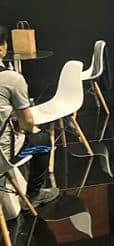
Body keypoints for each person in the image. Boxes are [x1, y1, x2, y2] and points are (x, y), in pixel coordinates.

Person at [0, 24, 59, 209]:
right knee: (42, 140)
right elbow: (27, 123)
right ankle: (34, 194)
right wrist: (30, 128)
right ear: (2, 47)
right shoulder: (11, 79)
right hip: (3, 159)